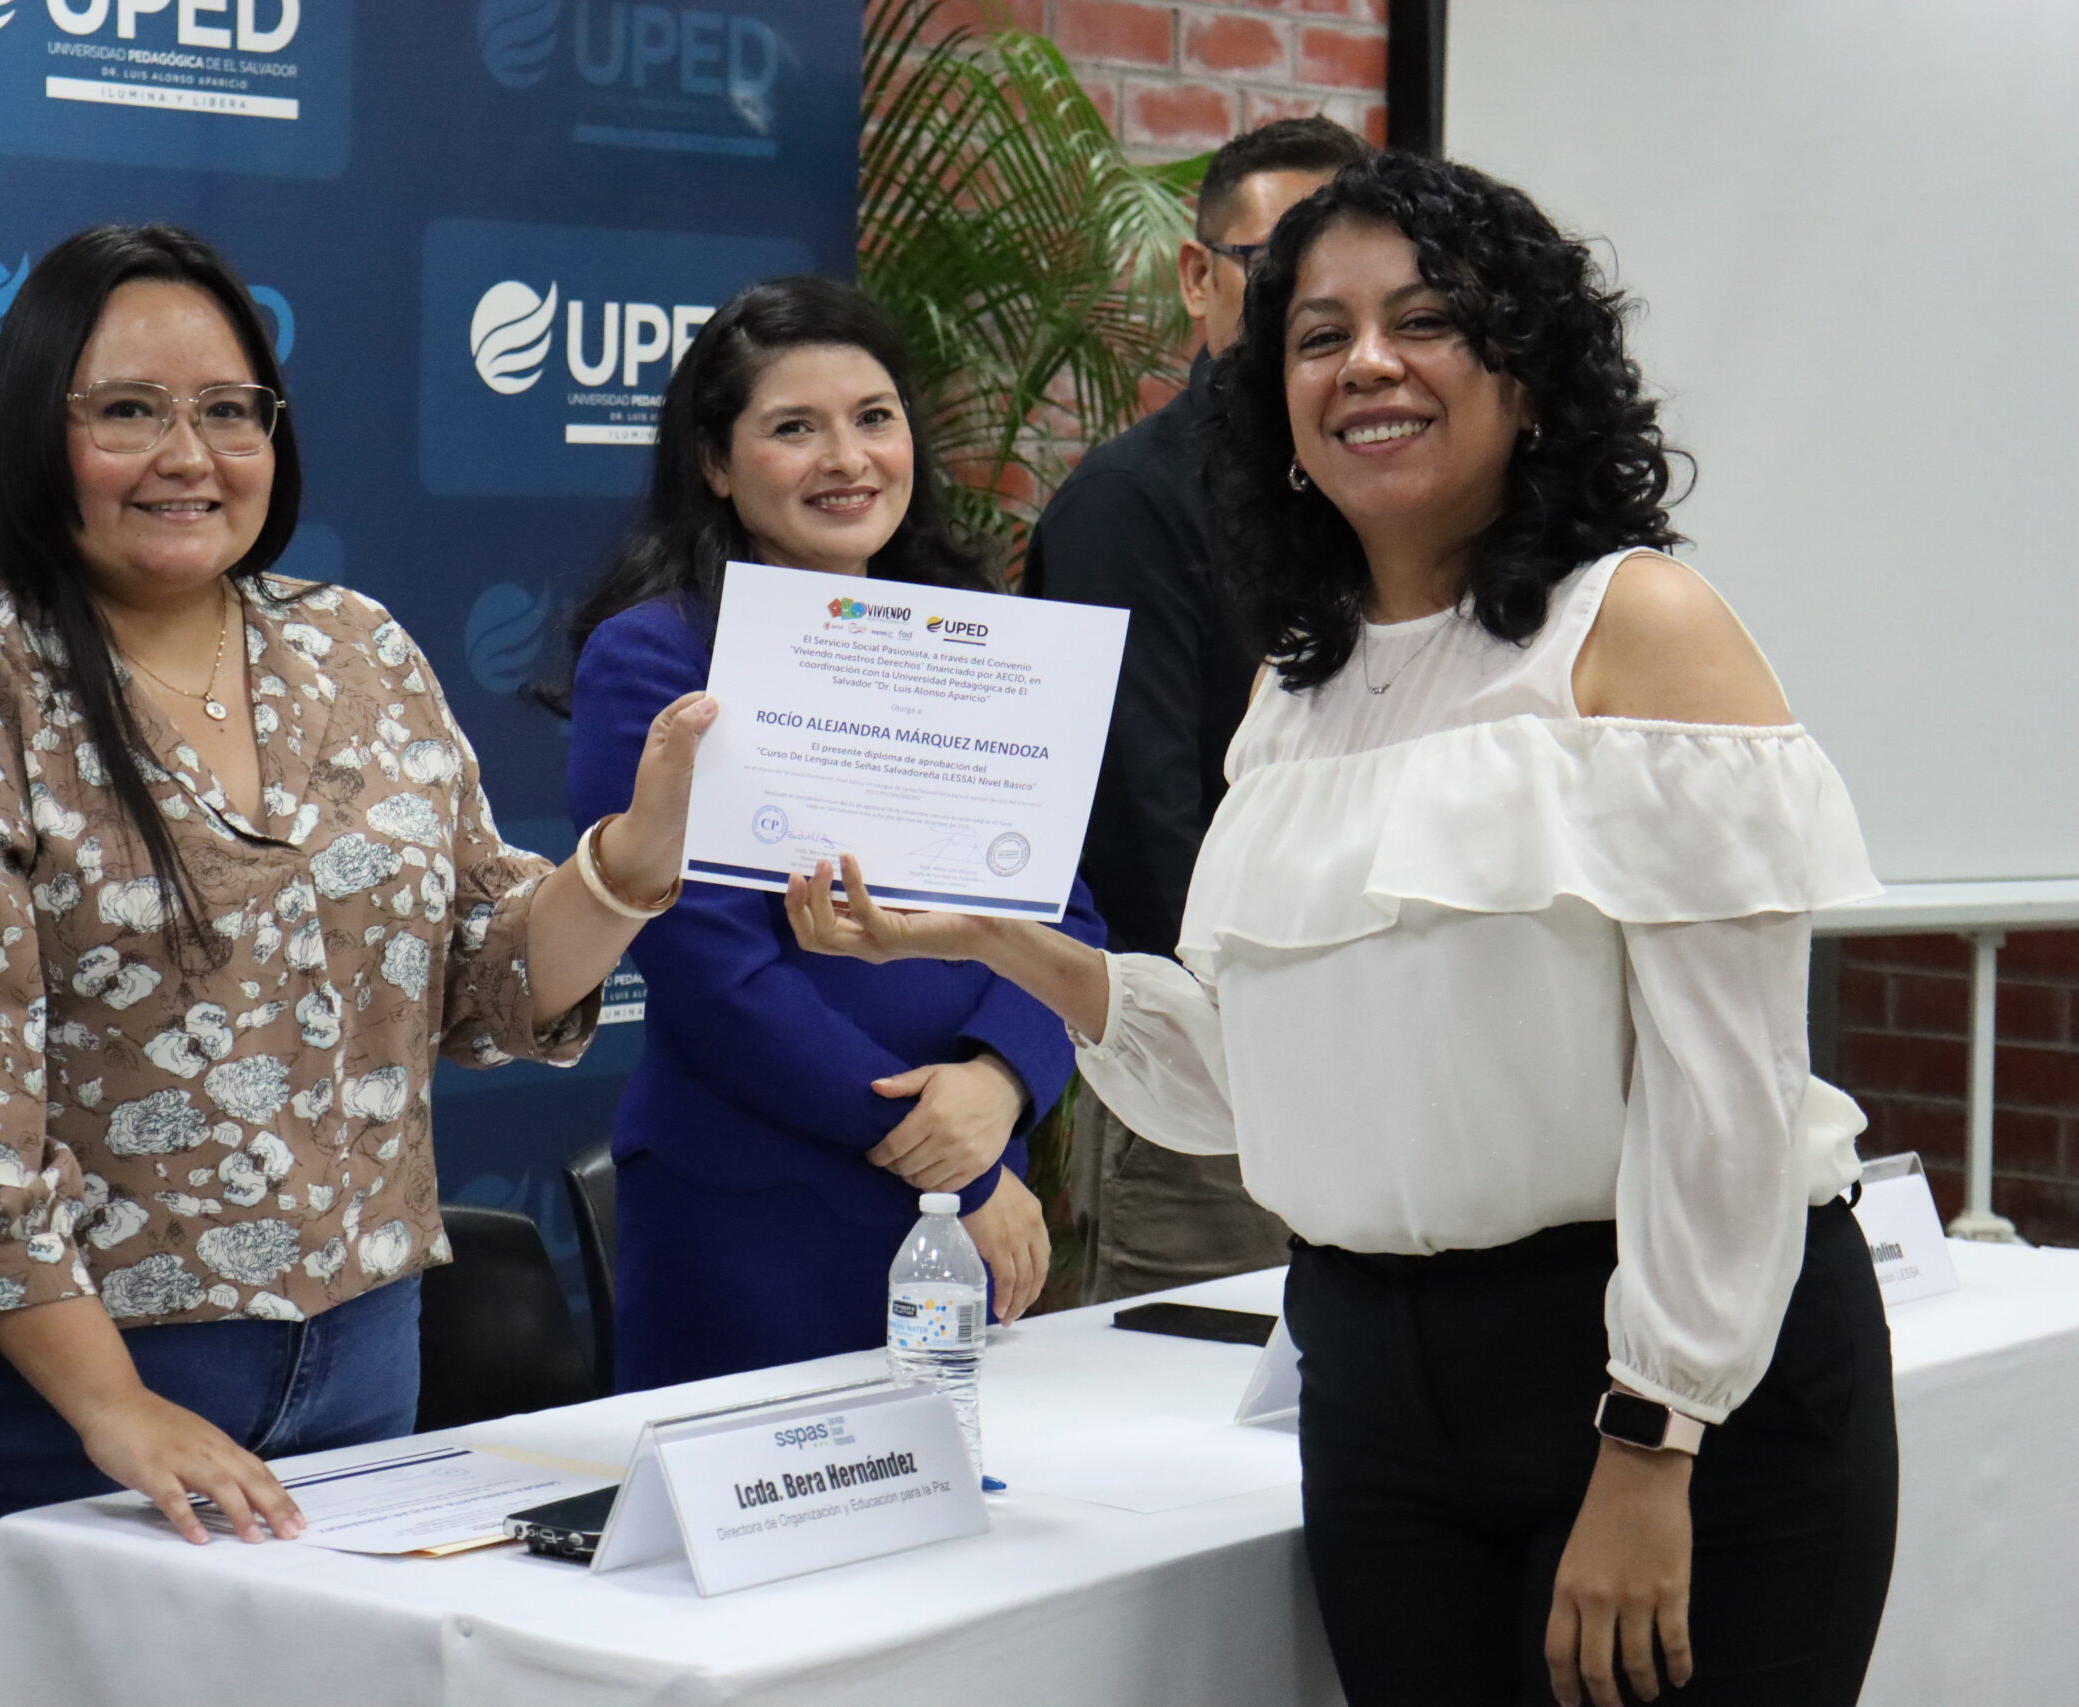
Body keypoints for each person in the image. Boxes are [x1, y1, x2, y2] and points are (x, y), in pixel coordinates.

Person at [790, 154, 1896, 1707]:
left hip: (1660, 1385)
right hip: (1374, 1388)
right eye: (1319, 335)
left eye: (1425, 320)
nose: (1367, 363)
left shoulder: (1638, 630)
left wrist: (1656, 1435)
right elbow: (1253, 1082)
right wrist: (994, 938)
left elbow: (1727, 1097)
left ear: (1529, 371)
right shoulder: (1298, 687)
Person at [0, 223, 714, 1682]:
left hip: (357, 1362)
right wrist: (114, 1405)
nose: (187, 455)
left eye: (229, 410)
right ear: (33, 429)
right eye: (126, 410)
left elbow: (482, 974)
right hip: (34, 1396)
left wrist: (630, 869)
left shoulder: (356, 651)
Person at [553, 276, 1104, 1389]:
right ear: (716, 464)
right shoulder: (656, 657)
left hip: (975, 1191)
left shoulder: (974, 641)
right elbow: (716, 976)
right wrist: (954, 1167)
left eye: (873, 418)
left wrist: (1001, 1082)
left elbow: (1065, 910)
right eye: (794, 428)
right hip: (757, 1219)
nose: (847, 459)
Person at [1023, 115, 1370, 1303]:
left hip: (1391, 1073)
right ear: (1196, 276)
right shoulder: (1127, 506)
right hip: (1208, 1073)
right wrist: (1289, 1032)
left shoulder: (1370, 492)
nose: (1307, 309)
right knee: (1197, 1402)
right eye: (1273, 269)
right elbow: (1139, 832)